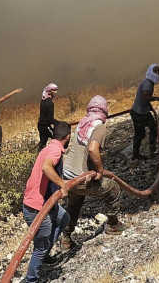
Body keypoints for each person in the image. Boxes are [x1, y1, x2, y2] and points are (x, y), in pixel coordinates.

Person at [60, 96, 124, 250]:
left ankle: (66, 239)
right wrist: (100, 171)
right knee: (113, 188)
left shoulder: (82, 123)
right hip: (81, 179)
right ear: (104, 110)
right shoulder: (99, 126)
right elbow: (92, 149)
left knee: (74, 205)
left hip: (67, 178)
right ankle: (113, 225)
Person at [21, 121, 72, 282]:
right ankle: (31, 278)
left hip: (46, 202)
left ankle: (44, 255)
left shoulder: (50, 147)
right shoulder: (55, 150)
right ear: (68, 137)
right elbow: (46, 167)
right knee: (41, 246)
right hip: (37, 207)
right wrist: (62, 184)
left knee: (63, 218)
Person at [130, 64, 159, 160]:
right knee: (139, 134)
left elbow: (144, 98)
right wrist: (158, 98)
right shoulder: (148, 83)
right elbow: (145, 97)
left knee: (154, 128)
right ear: (150, 71)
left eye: (158, 71)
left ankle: (153, 151)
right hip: (138, 113)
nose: (157, 73)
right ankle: (135, 154)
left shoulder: (149, 82)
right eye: (155, 71)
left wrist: (149, 105)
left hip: (144, 112)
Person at [38, 83, 59, 149]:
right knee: (57, 139)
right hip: (45, 127)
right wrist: (59, 123)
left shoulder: (43, 100)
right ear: (50, 91)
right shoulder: (50, 103)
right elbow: (50, 119)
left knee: (42, 144)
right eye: (54, 90)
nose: (56, 92)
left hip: (40, 125)